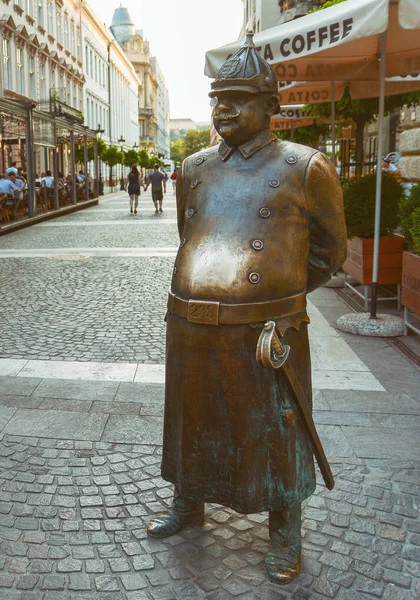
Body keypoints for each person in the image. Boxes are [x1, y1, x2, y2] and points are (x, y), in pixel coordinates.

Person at [146, 33, 347, 585]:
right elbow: (191, 234)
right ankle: (189, 503)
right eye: (217, 98)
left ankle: (286, 531)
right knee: (191, 419)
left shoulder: (305, 167)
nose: (223, 109)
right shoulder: (194, 167)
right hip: (191, 323)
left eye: (238, 98)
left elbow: (331, 253)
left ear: (271, 106)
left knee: (279, 430)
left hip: (266, 331)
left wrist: (273, 295)